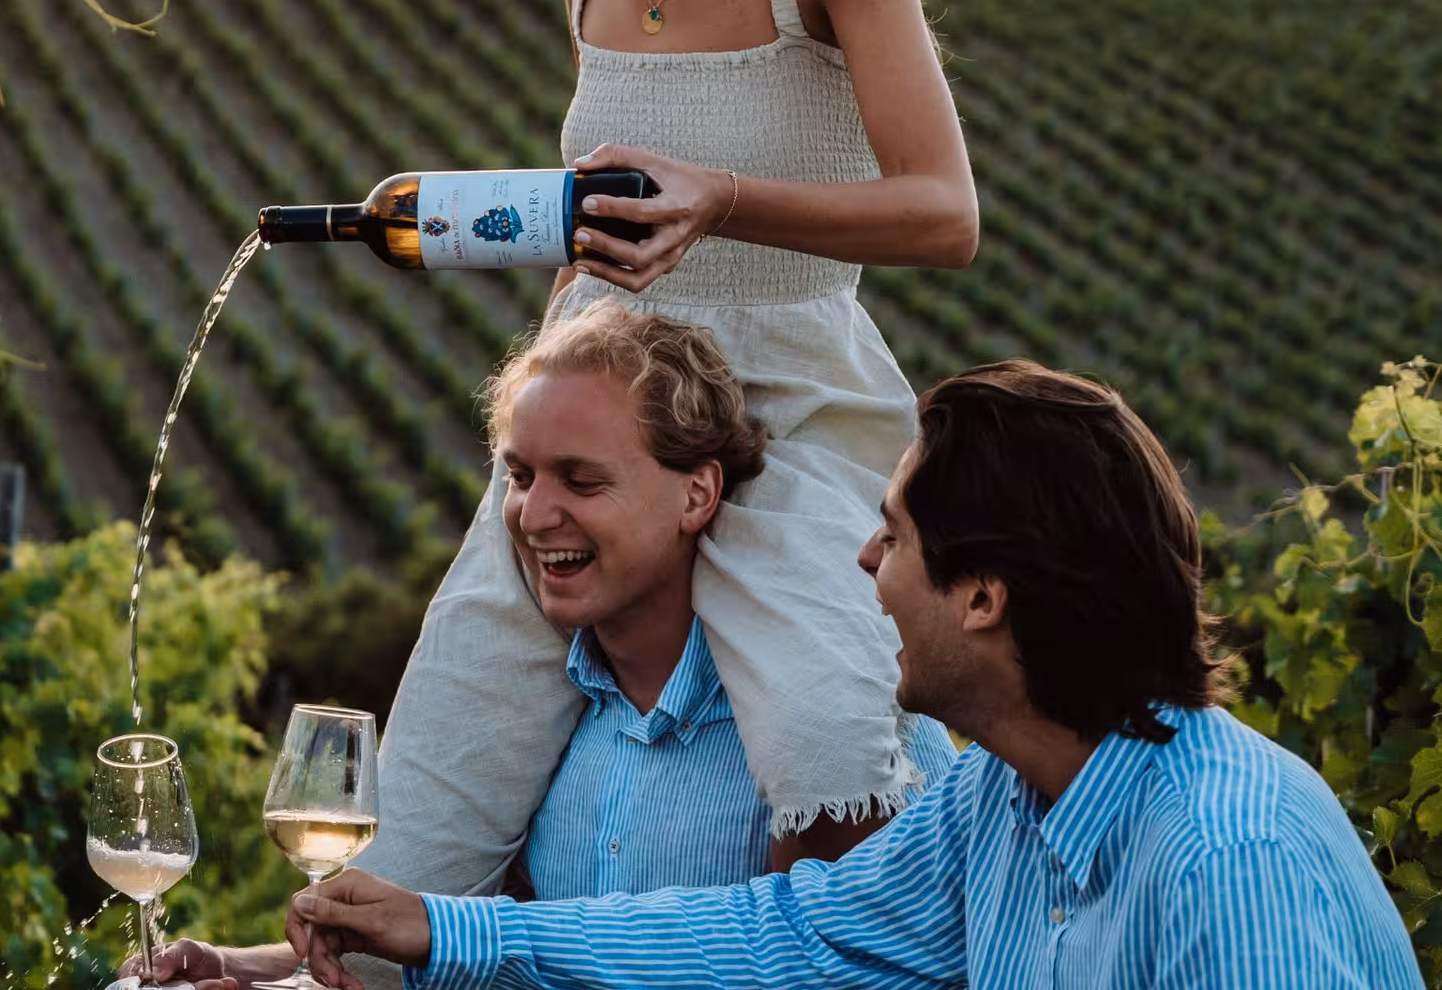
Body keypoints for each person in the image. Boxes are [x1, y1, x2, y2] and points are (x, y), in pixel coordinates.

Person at [362, 0, 979, 912]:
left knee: (822, 718)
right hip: (603, 407)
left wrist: (723, 201)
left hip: (788, 403)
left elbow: (944, 212)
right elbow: (610, 210)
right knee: (436, 758)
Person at [285, 361, 1424, 989]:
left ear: (984, 598)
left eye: (894, 538)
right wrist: (450, 929)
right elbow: (783, 933)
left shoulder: (1230, 857)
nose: (863, 567)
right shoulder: (1004, 805)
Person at [122, 304, 955, 988]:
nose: (534, 514)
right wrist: (247, 967)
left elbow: (851, 958)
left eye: (582, 481)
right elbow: (473, 945)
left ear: (697, 492)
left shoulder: (834, 740)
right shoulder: (539, 726)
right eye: (520, 475)